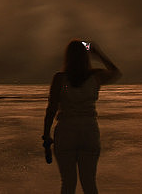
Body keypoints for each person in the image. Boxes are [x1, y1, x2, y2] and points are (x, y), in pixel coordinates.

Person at [42, 40, 121, 194]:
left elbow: (51, 110)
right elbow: (116, 72)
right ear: (86, 57)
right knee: (89, 182)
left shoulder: (59, 78)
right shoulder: (96, 76)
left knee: (67, 183)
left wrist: (46, 136)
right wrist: (98, 54)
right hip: (89, 131)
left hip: (65, 131)